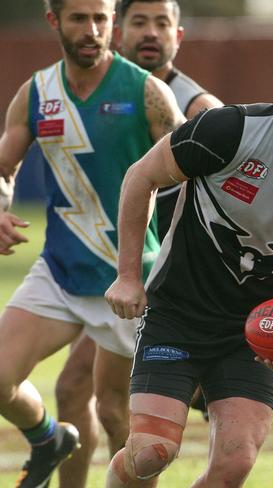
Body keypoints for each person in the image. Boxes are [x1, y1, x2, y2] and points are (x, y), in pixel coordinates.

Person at [103, 22, 273, 487]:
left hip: (256, 334)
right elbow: (140, 178)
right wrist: (128, 274)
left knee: (234, 465)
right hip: (177, 313)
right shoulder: (228, 130)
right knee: (150, 453)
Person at [0, 0, 185, 486]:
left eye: (101, 18)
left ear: (112, 22)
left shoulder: (148, 92)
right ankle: (47, 438)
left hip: (127, 280)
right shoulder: (36, 93)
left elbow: (199, 172)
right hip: (58, 273)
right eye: (79, 18)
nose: (92, 29)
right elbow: (3, 168)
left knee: (117, 417)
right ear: (53, 21)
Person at [52, 1, 223, 484]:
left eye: (162, 23)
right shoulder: (105, 90)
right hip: (116, 269)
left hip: (166, 280)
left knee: (101, 401)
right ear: (118, 32)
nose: (151, 33)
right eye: (140, 22)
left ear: (179, 35)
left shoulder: (197, 107)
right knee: (80, 394)